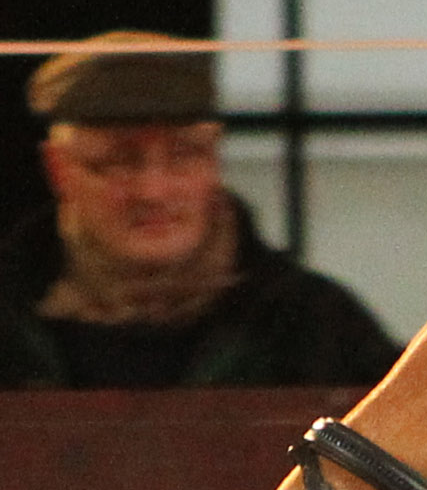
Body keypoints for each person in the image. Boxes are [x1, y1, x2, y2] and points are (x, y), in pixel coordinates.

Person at [6, 33, 399, 390]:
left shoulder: (313, 328)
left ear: (215, 162)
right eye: (119, 161)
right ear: (57, 169)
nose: (153, 191)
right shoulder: (10, 322)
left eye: (182, 156)